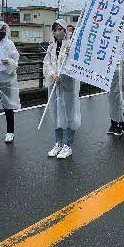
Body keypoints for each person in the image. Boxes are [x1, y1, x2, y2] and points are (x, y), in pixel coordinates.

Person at [44, 20, 80, 159]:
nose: (58, 31)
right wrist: (53, 73)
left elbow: (74, 65)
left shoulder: (71, 46)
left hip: (67, 86)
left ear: (65, 31)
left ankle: (68, 145)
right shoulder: (51, 47)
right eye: (55, 29)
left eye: (60, 28)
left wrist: (63, 73)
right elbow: (46, 63)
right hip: (54, 84)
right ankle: (58, 143)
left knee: (69, 114)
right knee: (56, 114)